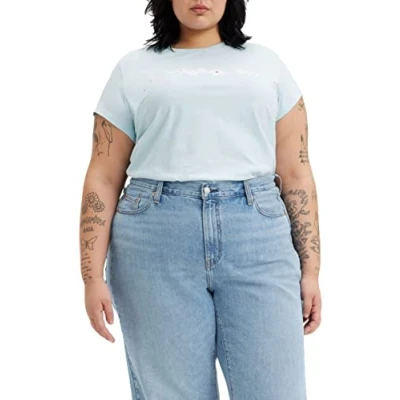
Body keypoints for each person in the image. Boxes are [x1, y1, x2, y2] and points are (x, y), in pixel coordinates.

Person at [79, 0, 322, 399]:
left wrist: (311, 270)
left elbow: (296, 172)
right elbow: (103, 176)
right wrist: (91, 277)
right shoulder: (132, 69)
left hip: (257, 235)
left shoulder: (268, 65)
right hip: (154, 240)